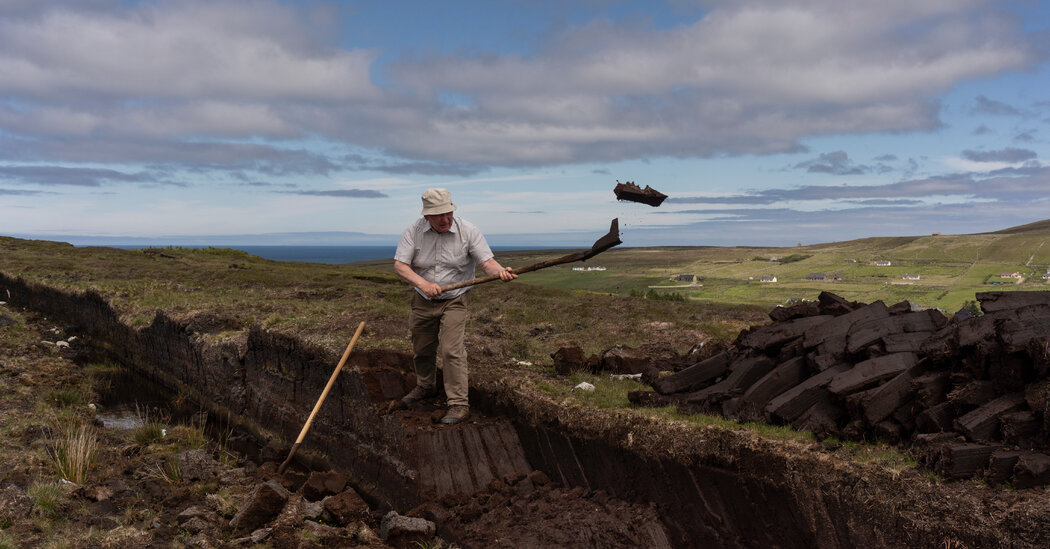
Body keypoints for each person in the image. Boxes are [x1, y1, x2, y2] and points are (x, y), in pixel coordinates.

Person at [393, 188, 517, 424]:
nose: (444, 219)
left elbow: (487, 262)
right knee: (422, 347)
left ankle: (459, 404)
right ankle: (425, 386)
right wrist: (424, 283)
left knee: (452, 349)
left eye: (448, 213)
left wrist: (501, 272)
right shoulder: (413, 231)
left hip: (456, 298)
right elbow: (400, 266)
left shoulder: (468, 230)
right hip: (423, 298)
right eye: (438, 215)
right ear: (426, 216)